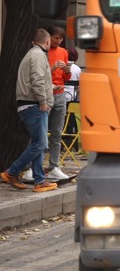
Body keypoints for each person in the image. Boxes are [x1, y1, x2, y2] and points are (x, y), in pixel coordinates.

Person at [1, 29, 58, 192]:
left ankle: (39, 181)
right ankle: (12, 172)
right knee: (40, 143)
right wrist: (43, 101)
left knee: (37, 143)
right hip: (34, 104)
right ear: (47, 41)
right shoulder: (39, 56)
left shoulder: (32, 54)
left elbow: (36, 80)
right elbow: (37, 80)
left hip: (30, 103)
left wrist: (49, 88)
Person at [28, 27, 71, 182]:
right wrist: (52, 68)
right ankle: (32, 167)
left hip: (60, 93)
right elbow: (39, 75)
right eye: (55, 38)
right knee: (39, 132)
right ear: (48, 38)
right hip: (46, 93)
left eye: (60, 38)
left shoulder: (63, 52)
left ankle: (54, 166)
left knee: (56, 133)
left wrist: (66, 70)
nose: (57, 41)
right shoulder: (41, 52)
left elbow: (66, 77)